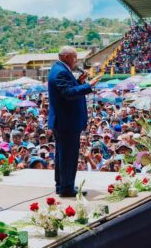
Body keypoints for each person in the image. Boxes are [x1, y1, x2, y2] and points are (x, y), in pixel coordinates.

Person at [47, 46, 101, 197]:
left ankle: (62, 185)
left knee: (63, 155)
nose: (76, 60)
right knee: (68, 156)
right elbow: (68, 94)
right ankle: (66, 188)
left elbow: (67, 89)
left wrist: (78, 81)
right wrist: (88, 86)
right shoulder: (61, 72)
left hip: (65, 121)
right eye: (74, 57)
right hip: (67, 122)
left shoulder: (60, 70)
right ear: (66, 57)